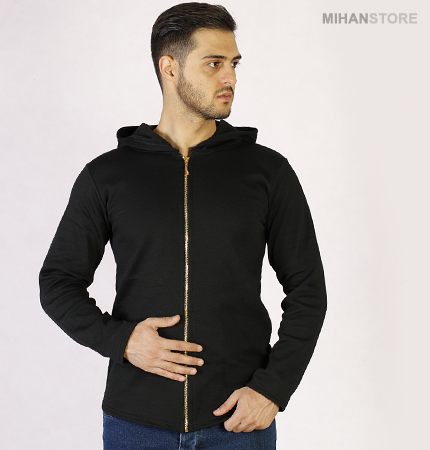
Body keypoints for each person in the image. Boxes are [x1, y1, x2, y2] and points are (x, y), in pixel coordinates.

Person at [39, 2, 327, 449]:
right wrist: (122, 341)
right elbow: (58, 282)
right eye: (214, 63)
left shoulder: (267, 172)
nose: (230, 78)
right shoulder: (108, 175)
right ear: (169, 68)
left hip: (237, 424)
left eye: (233, 64)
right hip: (136, 424)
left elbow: (308, 290)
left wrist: (273, 389)